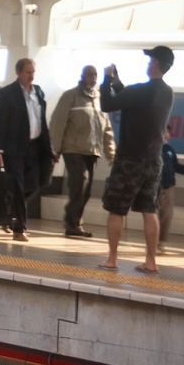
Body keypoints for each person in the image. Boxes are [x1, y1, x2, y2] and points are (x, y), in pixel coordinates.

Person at [99, 47, 175, 272]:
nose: (148, 62)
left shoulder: (140, 90)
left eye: (150, 59)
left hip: (130, 159)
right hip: (154, 160)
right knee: (149, 210)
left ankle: (112, 258)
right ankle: (151, 261)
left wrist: (106, 81)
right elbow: (131, 98)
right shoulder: (167, 92)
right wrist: (118, 83)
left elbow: (107, 105)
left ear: (155, 64)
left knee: (116, 209)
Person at [49, 65, 115, 237]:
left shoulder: (100, 100)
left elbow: (107, 129)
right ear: (82, 76)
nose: (93, 78)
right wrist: (55, 149)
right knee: (80, 183)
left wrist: (111, 152)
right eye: (90, 75)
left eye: (95, 75)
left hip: (92, 151)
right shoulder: (70, 96)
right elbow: (57, 123)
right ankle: (71, 222)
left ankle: (75, 223)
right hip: (73, 149)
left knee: (86, 190)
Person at [0, 58, 50, 241]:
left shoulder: (37, 91)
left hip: (35, 146)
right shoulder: (7, 93)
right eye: (27, 72)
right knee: (18, 183)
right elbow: (1, 124)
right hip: (14, 147)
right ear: (18, 72)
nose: (31, 75)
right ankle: (19, 228)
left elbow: (41, 119)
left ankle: (11, 204)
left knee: (38, 182)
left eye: (33, 72)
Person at [158, 121, 184, 244]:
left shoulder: (169, 149)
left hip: (168, 187)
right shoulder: (152, 147)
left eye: (168, 132)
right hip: (156, 187)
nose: (166, 135)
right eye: (164, 131)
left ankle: (162, 241)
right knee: (154, 215)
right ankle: (152, 240)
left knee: (167, 215)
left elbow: (175, 165)